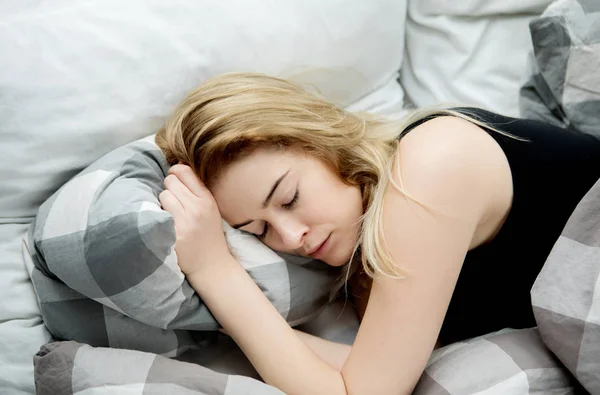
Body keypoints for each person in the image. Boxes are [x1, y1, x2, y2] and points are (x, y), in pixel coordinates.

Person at [155, 72, 600, 394]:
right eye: (258, 229)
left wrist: (215, 271)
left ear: (322, 140)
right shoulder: (363, 259)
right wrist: (219, 325)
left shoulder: (430, 164)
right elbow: (370, 371)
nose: (291, 238)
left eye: (289, 198)